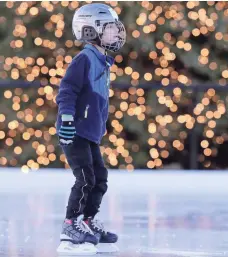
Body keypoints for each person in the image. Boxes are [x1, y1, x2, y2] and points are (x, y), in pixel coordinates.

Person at [55, 3, 126, 255]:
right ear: (90, 30)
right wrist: (66, 119)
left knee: (100, 178)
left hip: (90, 133)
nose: (117, 34)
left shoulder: (103, 61)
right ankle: (70, 225)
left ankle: (86, 221)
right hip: (74, 131)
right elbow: (66, 91)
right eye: (111, 29)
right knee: (85, 178)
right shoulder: (84, 59)